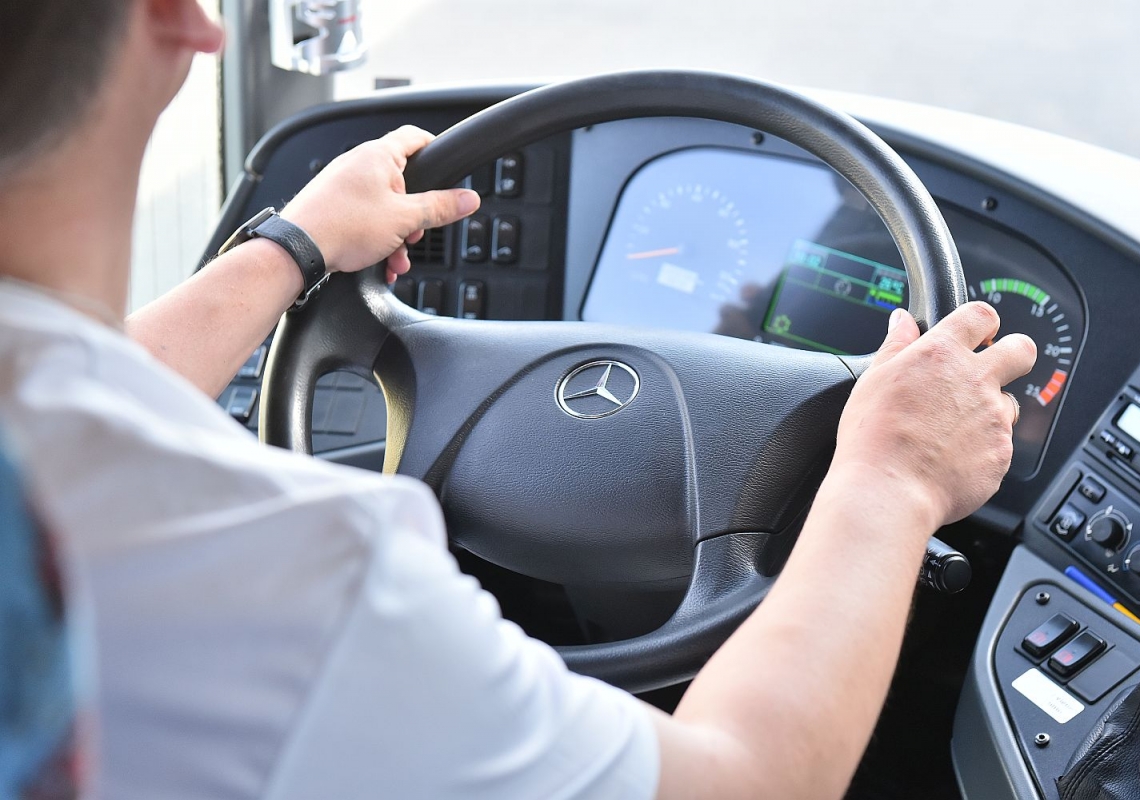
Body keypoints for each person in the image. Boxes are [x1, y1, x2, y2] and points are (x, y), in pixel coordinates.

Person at [0, 1, 1037, 798]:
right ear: (178, 19)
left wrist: (293, 249)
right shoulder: (308, 573)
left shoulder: (50, 463)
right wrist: (892, 473)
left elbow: (69, 403)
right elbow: (744, 779)